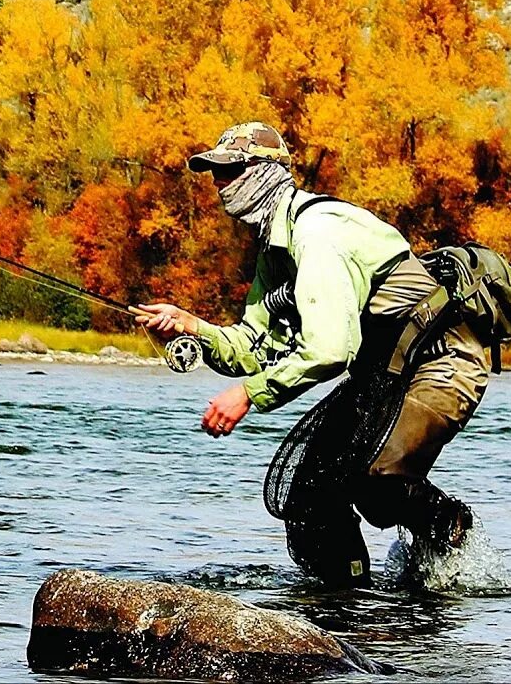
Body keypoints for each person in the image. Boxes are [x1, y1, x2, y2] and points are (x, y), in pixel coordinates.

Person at [135, 122, 490, 587]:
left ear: (264, 172)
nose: (219, 184)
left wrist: (247, 395)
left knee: (377, 479)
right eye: (214, 174)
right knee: (307, 494)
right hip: (384, 370)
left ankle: (451, 538)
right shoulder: (273, 250)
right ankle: (344, 601)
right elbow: (252, 346)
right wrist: (193, 329)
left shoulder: (315, 234)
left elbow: (328, 351)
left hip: (444, 360)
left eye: (229, 171)